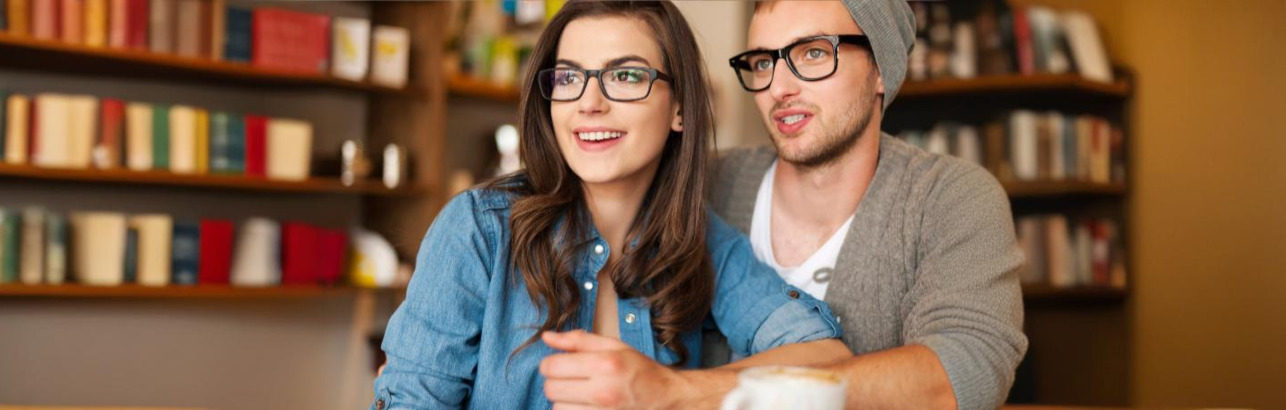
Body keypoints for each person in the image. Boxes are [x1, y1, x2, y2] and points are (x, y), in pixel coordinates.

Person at [538, 1, 1028, 409]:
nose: (779, 87)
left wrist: (681, 394)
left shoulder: (951, 199)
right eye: (764, 62)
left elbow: (964, 371)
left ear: (881, 69)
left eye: (813, 53)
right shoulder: (697, 185)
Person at [370, 2, 850, 409]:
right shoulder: (479, 230)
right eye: (568, 77)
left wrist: (670, 391)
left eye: (625, 75)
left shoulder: (700, 243)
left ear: (680, 106)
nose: (589, 103)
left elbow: (824, 357)